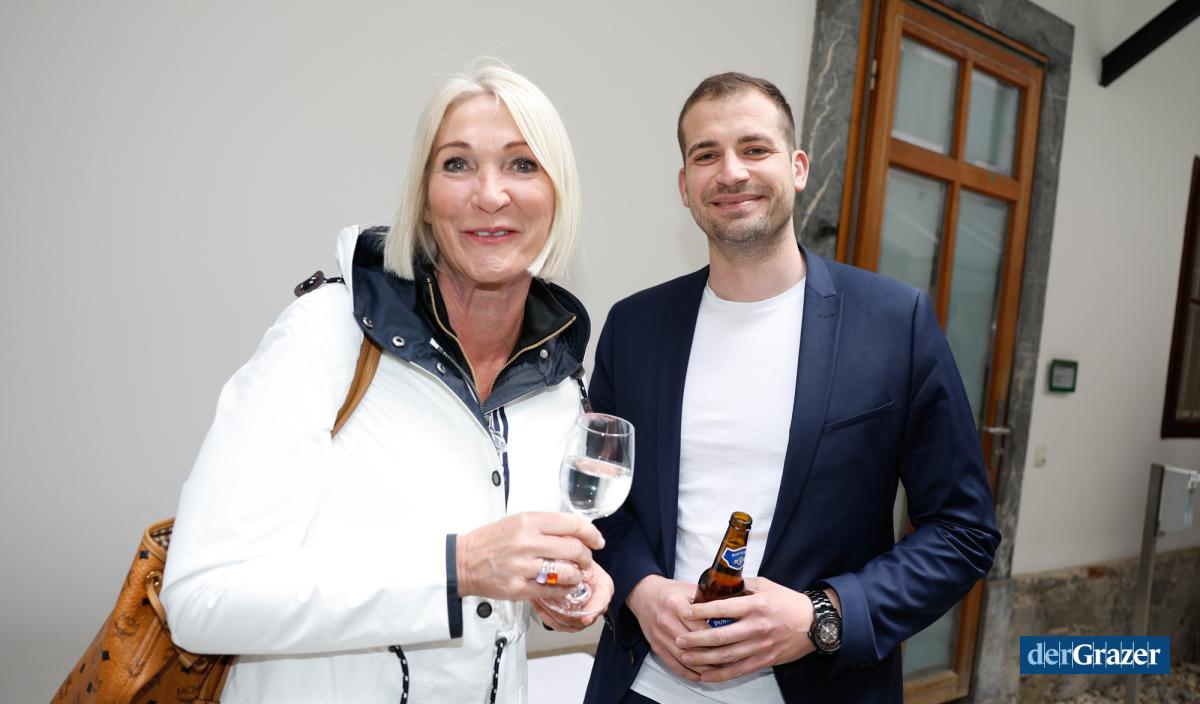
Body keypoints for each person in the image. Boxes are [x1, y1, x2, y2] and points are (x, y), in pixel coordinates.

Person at [161, 62, 612, 703]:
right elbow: (201, 600)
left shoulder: (560, 384)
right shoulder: (327, 336)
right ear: (424, 199)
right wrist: (457, 570)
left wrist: (557, 593)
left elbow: (505, 596)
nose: (490, 194)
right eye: (457, 164)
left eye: (522, 164)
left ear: (557, 194)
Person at [583, 72, 1000, 703]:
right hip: (642, 686)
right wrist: (642, 590)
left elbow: (962, 531)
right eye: (706, 155)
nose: (731, 172)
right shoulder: (633, 327)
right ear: (685, 186)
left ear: (797, 168)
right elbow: (599, 502)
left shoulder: (894, 323)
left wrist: (819, 616)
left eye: (755, 149)